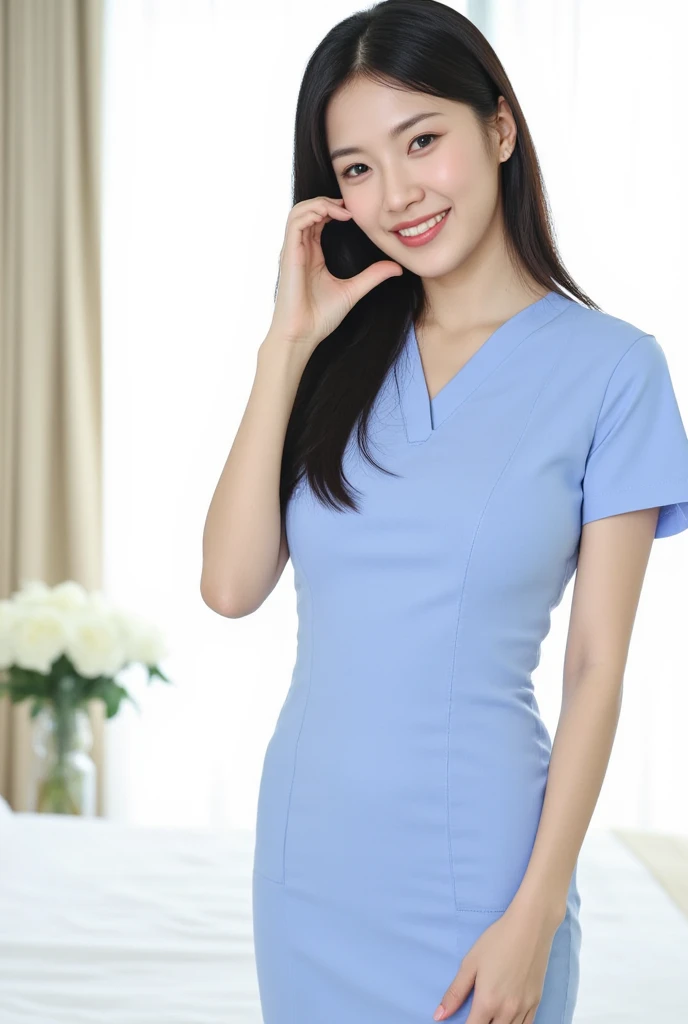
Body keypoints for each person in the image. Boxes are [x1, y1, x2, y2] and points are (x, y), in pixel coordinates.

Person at [200, 2, 688, 1021]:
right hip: (309, 862)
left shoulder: (613, 370)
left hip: (483, 871)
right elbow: (230, 585)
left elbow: (597, 665)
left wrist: (536, 911)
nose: (397, 193)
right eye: (356, 168)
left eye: (422, 140)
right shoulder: (334, 358)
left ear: (498, 130)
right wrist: (282, 346)